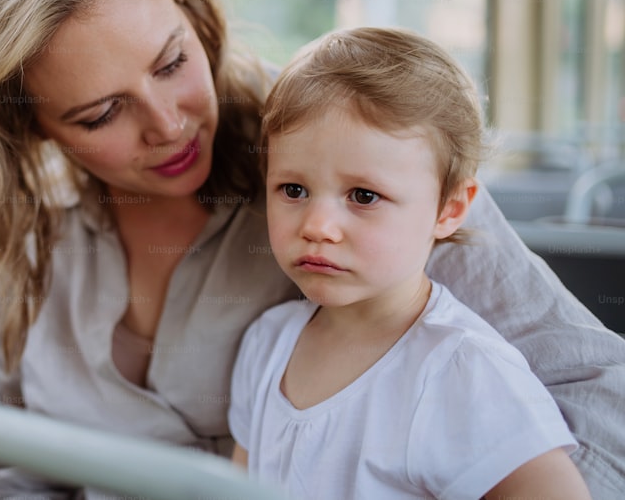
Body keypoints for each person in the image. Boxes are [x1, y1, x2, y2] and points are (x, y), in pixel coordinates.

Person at [0, 0, 625, 499]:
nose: (169, 124)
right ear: (27, 124)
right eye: (101, 114)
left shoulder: (343, 148)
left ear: (196, 17)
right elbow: (19, 474)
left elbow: (592, 390)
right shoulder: (37, 236)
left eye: (173, 62)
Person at [228, 27, 590, 499]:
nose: (317, 225)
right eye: (293, 190)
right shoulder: (266, 343)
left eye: (363, 196)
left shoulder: (463, 369)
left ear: (450, 209)